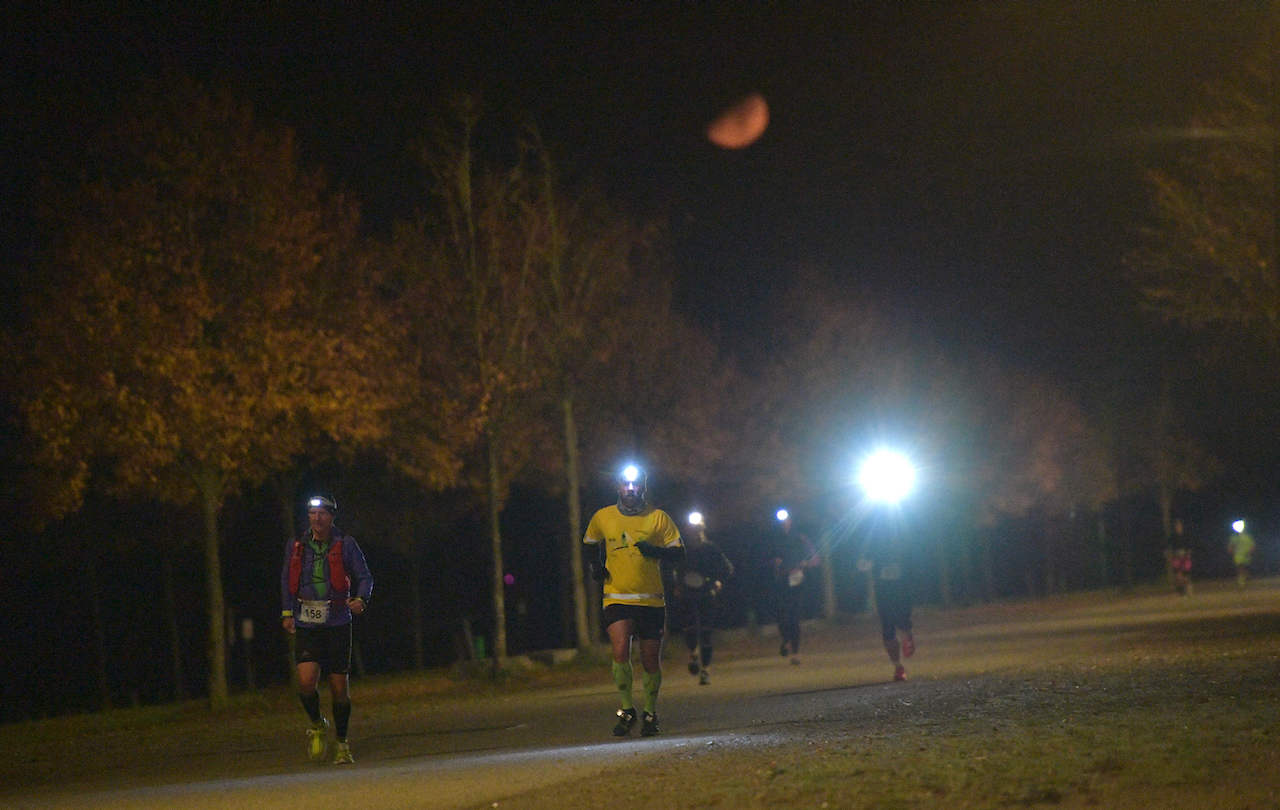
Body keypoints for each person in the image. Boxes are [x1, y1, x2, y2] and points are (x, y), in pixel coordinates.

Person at [584, 465, 684, 737]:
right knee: (619, 651)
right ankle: (627, 709)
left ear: (643, 488)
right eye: (625, 485)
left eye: (635, 485)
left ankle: (650, 712)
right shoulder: (603, 516)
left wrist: (655, 551)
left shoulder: (658, 518)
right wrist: (596, 566)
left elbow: (679, 552)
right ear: (618, 487)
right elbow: (590, 542)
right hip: (616, 595)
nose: (630, 489)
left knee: (650, 660)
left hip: (651, 598)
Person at [280, 495, 373, 765]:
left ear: (332, 517)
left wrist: (361, 599)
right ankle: (317, 723)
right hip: (307, 621)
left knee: (338, 686)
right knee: (306, 682)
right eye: (312, 513)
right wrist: (287, 612)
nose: (317, 518)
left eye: (322, 513)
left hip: (337, 622)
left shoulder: (346, 544)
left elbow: (365, 576)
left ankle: (342, 743)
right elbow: (286, 579)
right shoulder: (296, 545)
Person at [665, 512, 735, 685]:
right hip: (687, 594)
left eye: (698, 529)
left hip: (705, 593)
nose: (695, 533)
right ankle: (692, 653)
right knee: (689, 630)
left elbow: (727, 568)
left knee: (705, 632)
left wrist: (718, 581)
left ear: (702, 529)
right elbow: (671, 570)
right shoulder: (681, 549)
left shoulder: (711, 548)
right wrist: (676, 585)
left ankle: (705, 670)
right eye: (692, 530)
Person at [858, 522, 915, 682]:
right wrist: (864, 564)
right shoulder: (872, 538)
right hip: (883, 588)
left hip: (901, 586)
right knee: (887, 627)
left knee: (903, 620)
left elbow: (913, 556)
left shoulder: (903, 532)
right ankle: (898, 667)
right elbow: (862, 561)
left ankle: (907, 635)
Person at [770, 510, 819, 665]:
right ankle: (786, 639)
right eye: (781, 521)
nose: (784, 523)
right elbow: (772, 562)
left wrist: (806, 565)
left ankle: (795, 653)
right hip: (782, 581)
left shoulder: (800, 538)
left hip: (797, 581)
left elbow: (815, 557)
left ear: (791, 521)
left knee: (795, 616)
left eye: (787, 520)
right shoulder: (775, 540)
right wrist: (780, 568)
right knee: (782, 615)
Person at [1228, 519, 1256, 588]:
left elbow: (1252, 546)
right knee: (1240, 569)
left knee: (1245, 569)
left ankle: (1245, 580)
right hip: (1238, 556)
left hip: (1246, 556)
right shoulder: (1233, 537)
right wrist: (1231, 552)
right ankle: (1241, 584)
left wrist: (1250, 552)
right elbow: (1230, 546)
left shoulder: (1247, 537)